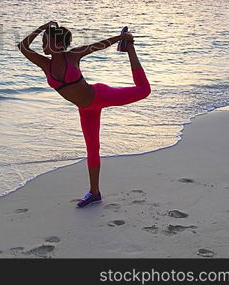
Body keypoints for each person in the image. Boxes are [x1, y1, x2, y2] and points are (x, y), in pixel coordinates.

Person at [17, 21, 151, 208]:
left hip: (100, 96)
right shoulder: (45, 64)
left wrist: (122, 38)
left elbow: (99, 45)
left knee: (144, 91)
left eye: (45, 41)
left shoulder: (73, 56)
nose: (42, 46)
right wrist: (44, 26)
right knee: (92, 149)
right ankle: (94, 193)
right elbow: (22, 46)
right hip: (86, 109)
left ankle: (129, 50)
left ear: (57, 44)